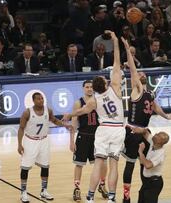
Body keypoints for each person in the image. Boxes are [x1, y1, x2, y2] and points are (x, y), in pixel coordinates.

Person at [63, 31, 125, 203]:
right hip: (117, 129)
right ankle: (111, 197)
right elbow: (117, 62)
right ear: (105, 84)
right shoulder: (115, 88)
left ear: (94, 88)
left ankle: (90, 196)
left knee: (98, 164)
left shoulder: (94, 101)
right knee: (113, 165)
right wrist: (115, 41)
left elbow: (81, 112)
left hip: (102, 130)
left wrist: (69, 114)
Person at [121, 38, 171, 203]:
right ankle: (126, 196)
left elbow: (156, 107)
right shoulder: (137, 89)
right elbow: (133, 69)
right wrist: (128, 50)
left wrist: (166, 116)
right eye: (139, 73)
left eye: (143, 73)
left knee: (146, 162)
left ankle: (146, 188)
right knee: (130, 164)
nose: (141, 74)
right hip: (132, 130)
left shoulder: (149, 94)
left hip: (144, 131)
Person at [17, 92, 73, 203]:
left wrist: (65, 125)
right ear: (33, 101)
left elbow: (54, 120)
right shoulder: (27, 112)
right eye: (38, 99)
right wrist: (19, 144)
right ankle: (23, 192)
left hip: (44, 140)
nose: (41, 100)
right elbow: (21, 128)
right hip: (30, 141)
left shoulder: (48, 110)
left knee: (45, 166)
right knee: (25, 167)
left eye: (42, 98)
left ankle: (44, 190)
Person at [70, 80, 108, 201]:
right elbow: (74, 121)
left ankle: (102, 185)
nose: (89, 89)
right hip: (83, 135)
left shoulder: (99, 100)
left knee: (102, 163)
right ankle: (76, 189)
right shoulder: (78, 103)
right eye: (87, 87)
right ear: (83, 88)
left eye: (91, 87)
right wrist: (71, 140)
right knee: (79, 164)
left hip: (97, 137)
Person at [129, 126, 169, 203]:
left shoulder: (160, 153)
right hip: (147, 182)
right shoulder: (153, 143)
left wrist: (140, 152)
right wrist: (137, 128)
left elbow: (147, 165)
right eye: (157, 133)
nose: (156, 134)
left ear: (160, 142)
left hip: (154, 184)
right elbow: (145, 132)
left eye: (158, 135)